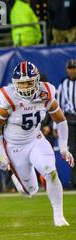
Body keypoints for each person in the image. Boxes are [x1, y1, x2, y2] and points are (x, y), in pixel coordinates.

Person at [0, 61, 74, 227]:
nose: (25, 87)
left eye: (29, 83)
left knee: (51, 171)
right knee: (30, 190)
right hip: (14, 146)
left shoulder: (45, 93)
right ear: (14, 84)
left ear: (37, 81)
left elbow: (61, 120)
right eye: (21, 84)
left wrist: (64, 147)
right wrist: (1, 153)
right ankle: (20, 181)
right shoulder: (8, 97)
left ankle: (59, 216)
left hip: (35, 140)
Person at [57, 59, 76, 189]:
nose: (72, 70)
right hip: (70, 120)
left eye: (74, 68)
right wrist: (56, 126)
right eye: (70, 68)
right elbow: (59, 107)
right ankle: (74, 181)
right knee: (73, 151)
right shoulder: (63, 84)